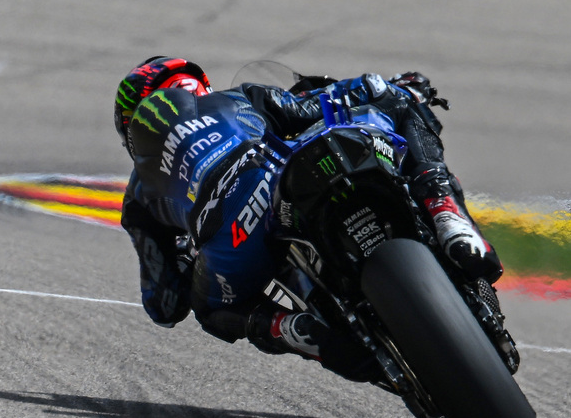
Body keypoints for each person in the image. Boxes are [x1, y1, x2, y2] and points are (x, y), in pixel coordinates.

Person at [114, 56, 504, 381]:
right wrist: (397, 88)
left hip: (231, 240)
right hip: (285, 179)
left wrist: (187, 259)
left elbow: (164, 306)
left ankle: (285, 327)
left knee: (213, 312)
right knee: (401, 104)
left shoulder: (139, 196)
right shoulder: (239, 99)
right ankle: (445, 211)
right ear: (196, 86)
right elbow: (332, 100)